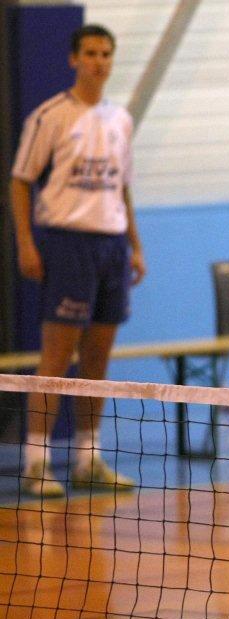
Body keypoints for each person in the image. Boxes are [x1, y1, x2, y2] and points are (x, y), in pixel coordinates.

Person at [9, 24, 146, 497]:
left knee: (97, 360)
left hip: (111, 247)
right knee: (56, 359)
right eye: (90, 52)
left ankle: (89, 459)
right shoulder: (49, 116)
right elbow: (20, 180)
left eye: (106, 53)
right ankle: (36, 463)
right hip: (67, 244)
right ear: (74, 59)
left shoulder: (121, 120)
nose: (98, 61)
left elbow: (122, 187)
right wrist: (26, 242)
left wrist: (135, 245)